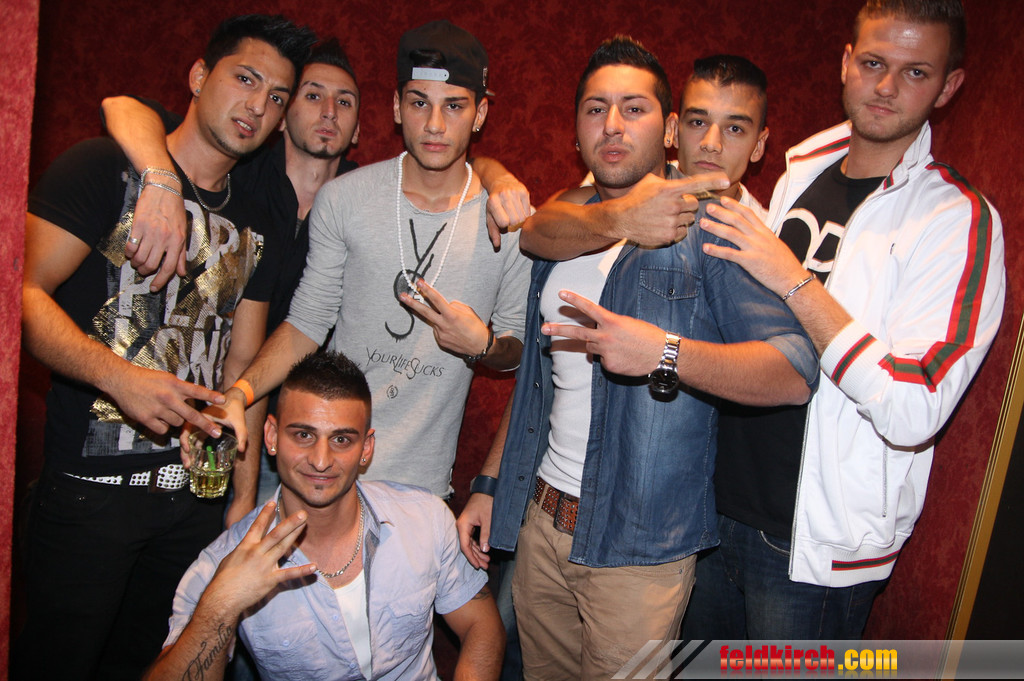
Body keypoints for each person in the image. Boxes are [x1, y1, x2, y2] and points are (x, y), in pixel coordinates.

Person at [457, 36, 819, 680]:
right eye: (596, 109)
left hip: (639, 549)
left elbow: (795, 371)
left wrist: (665, 353)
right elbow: (540, 382)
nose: (613, 125)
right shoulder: (573, 217)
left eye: (634, 108)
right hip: (542, 522)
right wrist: (490, 481)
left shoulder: (712, 224)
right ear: (576, 129)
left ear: (670, 128)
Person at [683, 0, 1005, 639]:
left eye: (916, 72)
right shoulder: (802, 166)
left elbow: (915, 405)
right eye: (874, 63)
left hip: (813, 549)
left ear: (949, 87)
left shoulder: (958, 221)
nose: (886, 87)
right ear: (846, 62)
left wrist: (794, 279)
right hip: (713, 505)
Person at [15, 15, 316, 680]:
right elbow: (19, 298)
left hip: (194, 504)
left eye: (276, 97)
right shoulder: (104, 168)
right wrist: (118, 377)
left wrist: (239, 499)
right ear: (199, 76)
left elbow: (244, 367)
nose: (258, 106)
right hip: (90, 494)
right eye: (245, 79)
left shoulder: (258, 219)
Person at [206, 20, 531, 499]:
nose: (435, 124)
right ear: (397, 108)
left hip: (420, 489)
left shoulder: (509, 219)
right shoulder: (344, 199)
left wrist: (482, 345)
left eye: (454, 106)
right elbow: (308, 321)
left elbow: (517, 351)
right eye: (419, 103)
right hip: (323, 472)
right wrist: (240, 392)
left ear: (480, 113)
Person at [143, 350, 503, 681]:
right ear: (271, 436)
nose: (320, 460)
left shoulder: (425, 519)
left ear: (366, 448)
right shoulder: (222, 563)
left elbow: (482, 627)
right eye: (303, 435)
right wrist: (220, 606)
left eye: (341, 440)